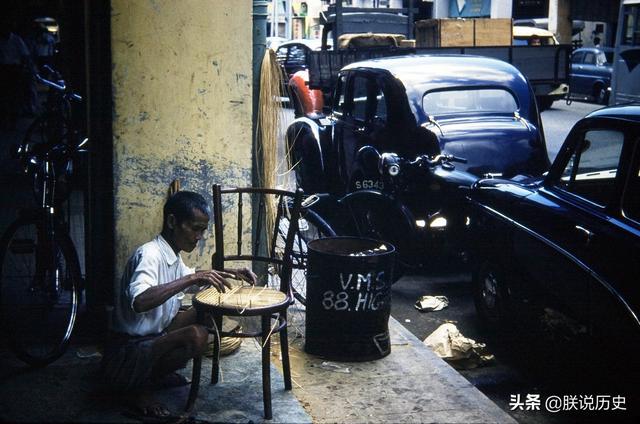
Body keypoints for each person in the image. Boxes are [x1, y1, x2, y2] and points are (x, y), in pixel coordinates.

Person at [101, 190, 257, 421]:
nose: (199, 237)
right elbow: (140, 301)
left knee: (203, 309)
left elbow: (193, 275)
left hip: (150, 342)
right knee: (196, 335)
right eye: (194, 228)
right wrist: (191, 279)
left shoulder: (172, 255)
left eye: (202, 230)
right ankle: (136, 391)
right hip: (126, 354)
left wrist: (230, 272)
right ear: (173, 222)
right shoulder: (150, 254)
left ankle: (153, 375)